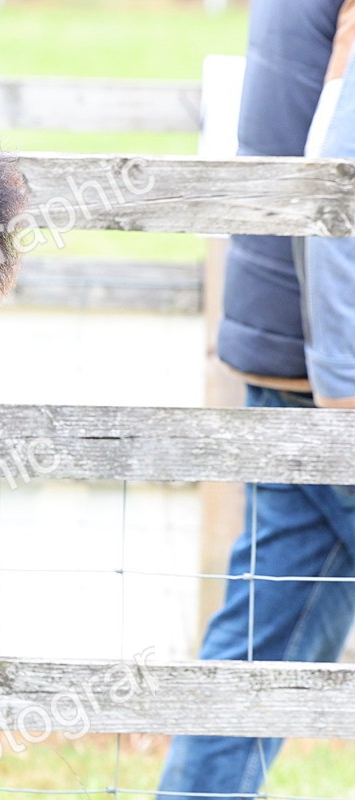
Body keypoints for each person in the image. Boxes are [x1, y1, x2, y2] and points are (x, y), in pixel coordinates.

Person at [159, 0, 355, 795]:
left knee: (252, 667)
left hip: (292, 362)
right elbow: (334, 190)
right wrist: (345, 403)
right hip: (331, 379)